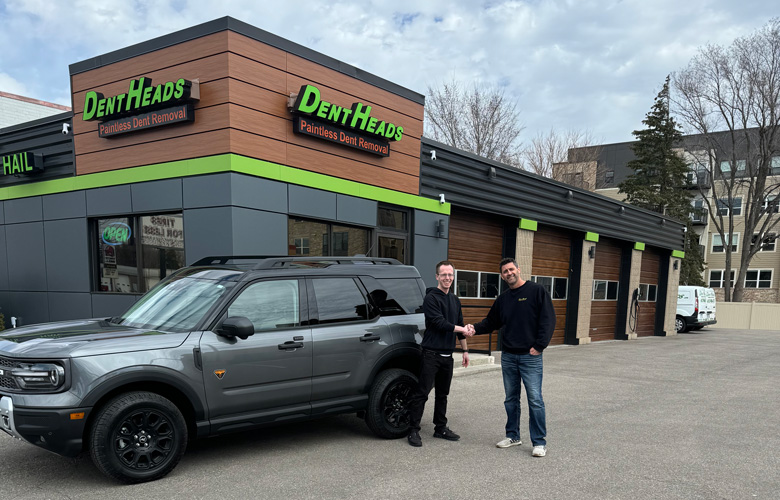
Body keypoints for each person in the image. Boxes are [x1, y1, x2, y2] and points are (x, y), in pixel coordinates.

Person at [468, 257, 555, 457]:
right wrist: (472, 329)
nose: (509, 273)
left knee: (535, 400)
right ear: (502, 276)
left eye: (511, 269)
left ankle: (539, 442)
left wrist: (540, 345)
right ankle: (513, 436)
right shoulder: (503, 299)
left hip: (530, 357)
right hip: (509, 356)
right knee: (510, 399)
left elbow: (548, 319)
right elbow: (491, 322)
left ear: (518, 269)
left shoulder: (536, 291)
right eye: (505, 272)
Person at [407, 260, 471, 447]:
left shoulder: (455, 299)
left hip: (447, 356)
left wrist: (465, 350)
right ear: (437, 276)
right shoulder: (431, 299)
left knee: (443, 394)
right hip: (431, 355)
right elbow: (439, 323)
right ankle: (413, 430)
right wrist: (464, 328)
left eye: (450, 275)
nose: (447, 278)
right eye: (443, 275)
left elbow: (459, 325)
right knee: (422, 393)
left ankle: (440, 428)